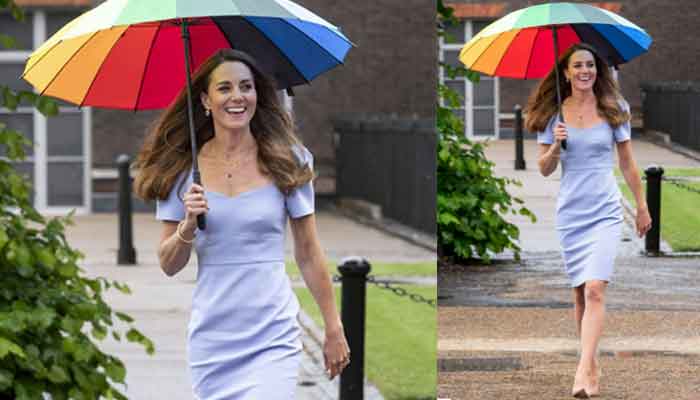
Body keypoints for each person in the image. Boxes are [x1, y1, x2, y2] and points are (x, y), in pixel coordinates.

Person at [134, 49, 350, 399]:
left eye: (246, 87)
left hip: (272, 331)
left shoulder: (287, 160)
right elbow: (169, 264)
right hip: (213, 338)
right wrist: (187, 226)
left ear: (257, 95)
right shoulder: (181, 170)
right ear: (206, 99)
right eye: (225, 88)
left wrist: (333, 327)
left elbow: (308, 253)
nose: (237, 97)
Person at [526, 43, 652, 399]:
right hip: (571, 212)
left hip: (605, 209)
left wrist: (641, 206)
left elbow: (627, 164)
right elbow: (545, 168)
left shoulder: (615, 108)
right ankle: (591, 361)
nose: (585, 71)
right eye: (578, 66)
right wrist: (554, 146)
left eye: (591, 66)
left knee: (596, 288)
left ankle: (583, 370)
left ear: (598, 71)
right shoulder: (553, 114)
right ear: (565, 72)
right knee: (581, 293)